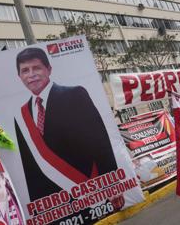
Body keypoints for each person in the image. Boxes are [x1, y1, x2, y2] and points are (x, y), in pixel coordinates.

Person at [14, 47, 118, 202]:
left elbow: (99, 140)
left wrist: (111, 183)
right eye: (25, 70)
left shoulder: (75, 95)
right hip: (58, 201)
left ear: (49, 70)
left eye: (36, 68)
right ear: (20, 76)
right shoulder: (22, 115)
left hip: (91, 188)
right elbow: (31, 169)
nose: (31, 75)